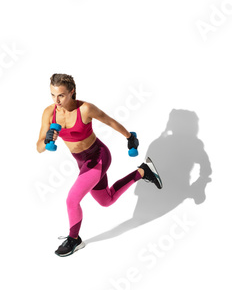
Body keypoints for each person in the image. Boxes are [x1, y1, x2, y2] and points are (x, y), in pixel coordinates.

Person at [36, 74, 163, 257]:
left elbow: (110, 121)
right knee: (106, 200)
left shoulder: (85, 109)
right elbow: (39, 147)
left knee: (72, 199)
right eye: (53, 95)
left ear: (72, 92)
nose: (57, 100)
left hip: (98, 157)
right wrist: (47, 138)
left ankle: (74, 239)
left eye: (61, 95)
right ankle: (143, 171)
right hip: (82, 162)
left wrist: (129, 137)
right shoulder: (50, 112)